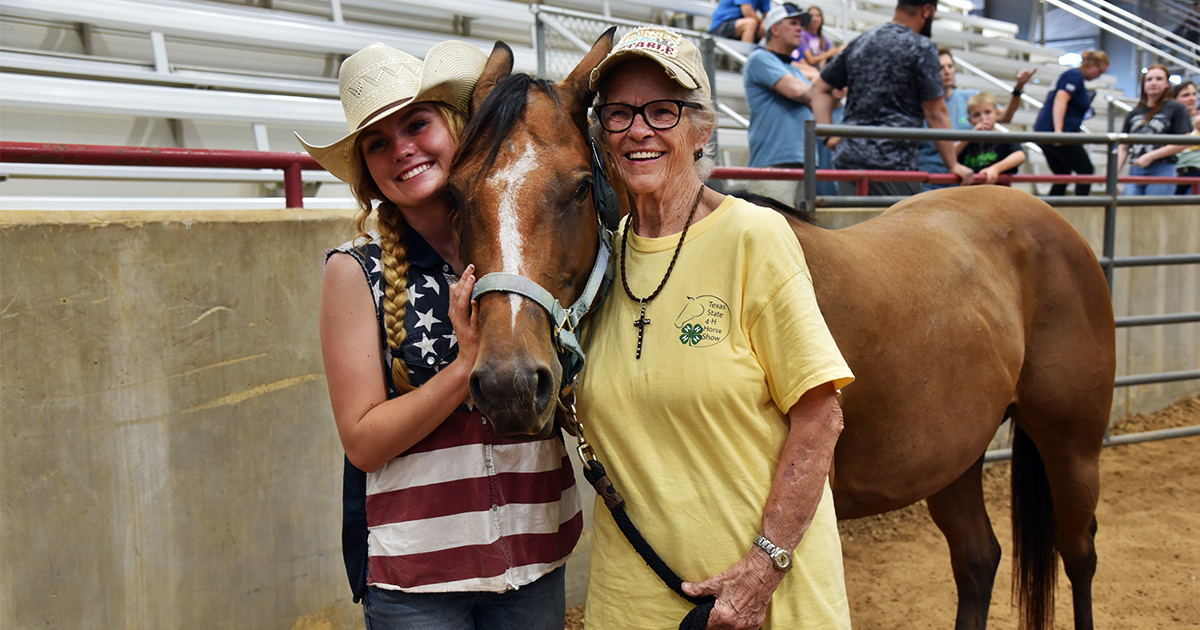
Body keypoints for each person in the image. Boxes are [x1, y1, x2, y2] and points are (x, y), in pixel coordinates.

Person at [298, 41, 582, 628]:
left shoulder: (526, 244)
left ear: (456, 129)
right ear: (368, 175)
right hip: (419, 579)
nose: (402, 149)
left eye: (417, 124)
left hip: (532, 554)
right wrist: (464, 367)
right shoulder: (355, 271)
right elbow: (364, 443)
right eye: (378, 143)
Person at [579, 26, 855, 630]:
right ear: (601, 136)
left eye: (662, 111)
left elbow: (821, 416)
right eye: (619, 114)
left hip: (763, 602)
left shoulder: (753, 237)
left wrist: (763, 569)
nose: (639, 130)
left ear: (701, 129)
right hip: (631, 603)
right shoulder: (602, 258)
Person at [810, 0, 975, 196]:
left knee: (857, 224)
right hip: (894, 164)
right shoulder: (922, 47)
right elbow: (935, 112)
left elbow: (818, 87)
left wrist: (828, 135)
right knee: (900, 225)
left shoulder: (861, 42)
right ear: (927, 10)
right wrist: (953, 164)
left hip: (850, 162)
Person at [744, 3, 818, 207]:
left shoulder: (791, 68)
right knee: (773, 232)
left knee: (804, 235)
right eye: (792, 23)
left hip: (804, 162)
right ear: (774, 29)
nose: (799, 29)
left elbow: (808, 94)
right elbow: (799, 91)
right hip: (774, 164)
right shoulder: (760, 58)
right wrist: (811, 92)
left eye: (800, 25)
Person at [1032, 50, 1109, 197]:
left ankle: (1052, 210)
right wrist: (1059, 132)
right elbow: (1060, 100)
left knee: (1062, 174)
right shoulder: (1074, 76)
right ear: (1092, 64)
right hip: (1058, 133)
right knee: (1085, 170)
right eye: (1099, 71)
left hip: (1048, 131)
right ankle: (1081, 209)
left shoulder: (1075, 78)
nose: (1098, 76)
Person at [1117, 64, 1191, 196]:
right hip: (1136, 169)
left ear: (1167, 83)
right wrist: (1114, 175)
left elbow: (1185, 140)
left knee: (1155, 211)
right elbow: (1123, 146)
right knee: (1128, 209)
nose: (1153, 83)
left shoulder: (1176, 108)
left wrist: (1151, 156)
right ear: (1143, 84)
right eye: (1149, 79)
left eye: (1159, 79)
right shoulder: (1134, 112)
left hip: (1163, 168)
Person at [917, 46, 978, 191]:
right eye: (941, 67)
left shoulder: (969, 97)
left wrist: (1017, 91)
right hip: (928, 182)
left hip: (963, 181)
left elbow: (1003, 116)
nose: (947, 71)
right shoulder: (917, 105)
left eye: (950, 66)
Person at [955, 92, 1027, 184]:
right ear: (969, 120)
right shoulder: (967, 142)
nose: (983, 118)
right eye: (976, 115)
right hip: (971, 193)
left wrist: (995, 169)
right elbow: (950, 156)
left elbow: (1020, 155)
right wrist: (971, 135)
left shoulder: (1003, 138)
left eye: (988, 112)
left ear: (997, 114)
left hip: (998, 192)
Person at [791, 5, 842, 81]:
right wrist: (827, 54)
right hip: (810, 69)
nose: (815, 19)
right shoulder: (803, 35)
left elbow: (834, 51)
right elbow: (810, 60)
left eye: (818, 16)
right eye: (812, 16)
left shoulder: (822, 38)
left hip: (816, 68)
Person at [1171, 81, 1200, 194]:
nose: (1192, 98)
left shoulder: (1198, 119)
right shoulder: (1168, 122)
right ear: (1174, 100)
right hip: (1175, 173)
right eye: (1186, 95)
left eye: (1194, 94)